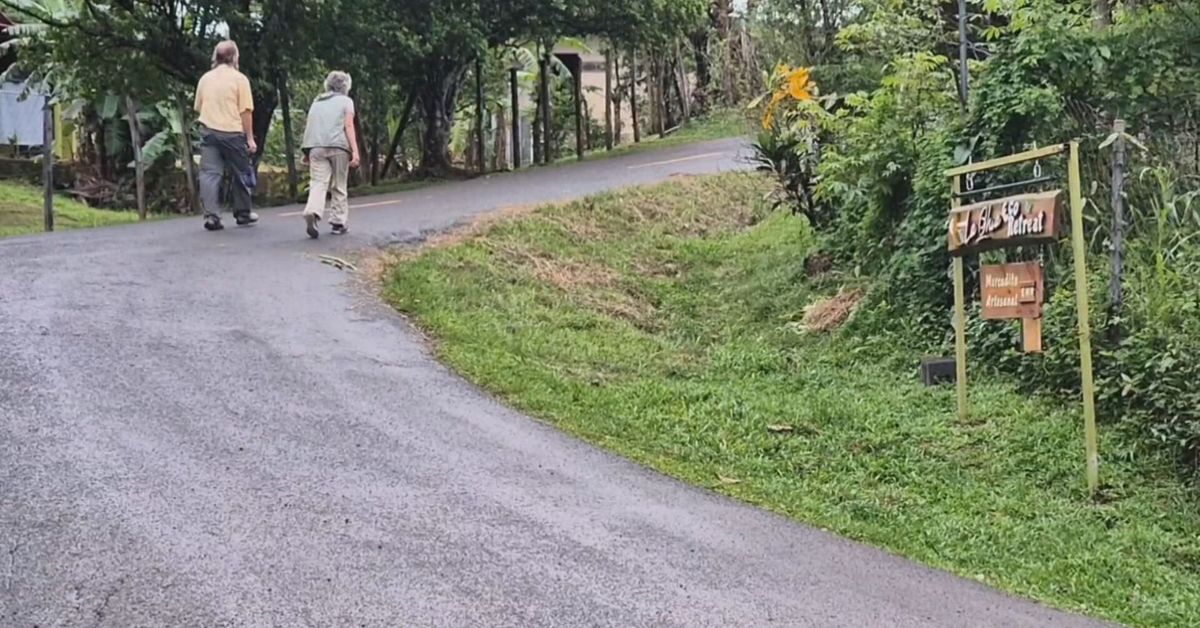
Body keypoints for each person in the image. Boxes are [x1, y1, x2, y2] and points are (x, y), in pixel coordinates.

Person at [194, 40, 258, 231]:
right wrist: (249, 138)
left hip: (209, 132)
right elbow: (245, 111)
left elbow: (198, 107)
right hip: (233, 133)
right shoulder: (240, 79)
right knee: (241, 172)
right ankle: (243, 213)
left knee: (209, 175)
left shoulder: (205, 79)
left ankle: (212, 216)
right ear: (235, 57)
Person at [300, 71, 360, 239]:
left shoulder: (317, 102)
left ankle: (312, 210)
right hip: (339, 146)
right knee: (339, 184)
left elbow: (310, 124)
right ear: (346, 86)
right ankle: (338, 222)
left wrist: (307, 150)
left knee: (318, 182)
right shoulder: (347, 102)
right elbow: (348, 125)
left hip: (316, 146)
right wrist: (355, 151)